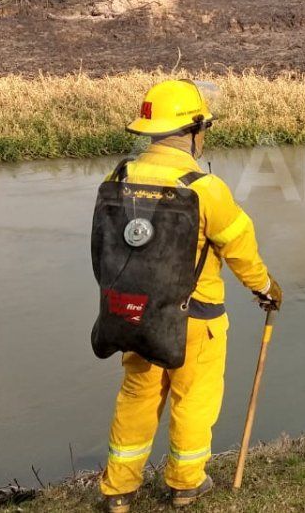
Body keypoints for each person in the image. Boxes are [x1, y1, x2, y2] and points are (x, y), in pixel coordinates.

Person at [92, 80, 282, 512]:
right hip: (196, 320)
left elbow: (104, 250)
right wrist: (266, 289)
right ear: (195, 130)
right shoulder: (204, 188)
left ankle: (119, 490)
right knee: (194, 400)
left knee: (137, 397)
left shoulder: (118, 177)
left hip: (134, 316)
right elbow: (240, 249)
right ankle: (185, 484)